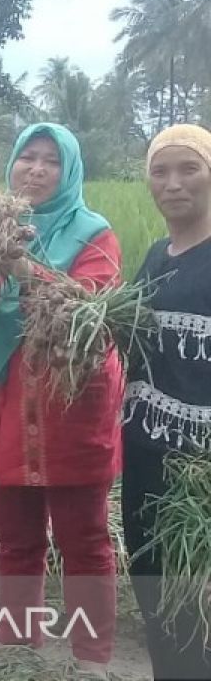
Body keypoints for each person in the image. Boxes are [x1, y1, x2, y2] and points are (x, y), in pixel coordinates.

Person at [0, 123, 122, 674]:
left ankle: (91, 659)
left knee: (83, 542)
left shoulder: (94, 234)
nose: (36, 170)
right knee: (15, 539)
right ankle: (18, 649)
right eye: (27, 158)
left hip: (70, 409)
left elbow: (92, 309)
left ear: (69, 172)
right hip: (8, 406)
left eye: (50, 161)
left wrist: (27, 269)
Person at [123, 124, 211, 680]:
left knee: (198, 615)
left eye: (189, 169)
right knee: (160, 606)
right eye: (160, 171)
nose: (172, 184)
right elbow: (112, 327)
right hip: (147, 465)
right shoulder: (157, 255)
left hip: (200, 477)